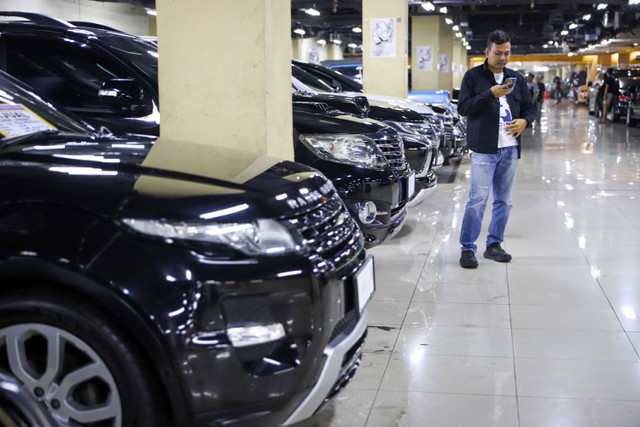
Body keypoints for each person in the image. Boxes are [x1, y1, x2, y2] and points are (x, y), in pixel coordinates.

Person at [456, 30, 535, 268]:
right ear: (487, 51)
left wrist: (525, 122)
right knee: (477, 200)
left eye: (507, 53)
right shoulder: (473, 77)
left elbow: (530, 109)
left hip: (510, 148)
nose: (503, 58)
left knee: (504, 201)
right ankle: (468, 248)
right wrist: (489, 94)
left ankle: (494, 245)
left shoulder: (517, 79)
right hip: (484, 148)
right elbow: (464, 108)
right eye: (499, 53)